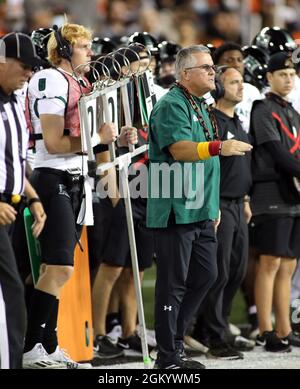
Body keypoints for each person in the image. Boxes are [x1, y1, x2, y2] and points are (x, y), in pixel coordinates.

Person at [22, 23, 122, 369]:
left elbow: (87, 141)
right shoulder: (49, 79)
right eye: (83, 47)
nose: (90, 53)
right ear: (63, 51)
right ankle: (33, 343)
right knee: (60, 267)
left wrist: (108, 147)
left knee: (55, 268)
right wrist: (95, 138)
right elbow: (53, 142)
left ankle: (47, 345)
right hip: (51, 175)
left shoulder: (80, 83)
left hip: (77, 177)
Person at [147, 45, 252, 369]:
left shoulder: (201, 105)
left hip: (202, 208)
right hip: (176, 206)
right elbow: (180, 150)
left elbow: (206, 165)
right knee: (173, 282)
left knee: (207, 275)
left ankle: (176, 343)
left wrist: (212, 204)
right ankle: (167, 355)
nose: (213, 71)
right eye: (205, 67)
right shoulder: (171, 105)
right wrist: (221, 146)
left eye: (212, 66)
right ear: (184, 74)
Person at [193, 66, 253, 359]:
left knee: (237, 271)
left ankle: (218, 324)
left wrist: (245, 200)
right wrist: (212, 203)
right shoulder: (213, 121)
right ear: (219, 87)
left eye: (242, 82)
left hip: (237, 203)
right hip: (219, 203)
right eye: (234, 82)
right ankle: (213, 335)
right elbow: (208, 166)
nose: (241, 87)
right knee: (218, 271)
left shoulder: (236, 120)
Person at [0, 32, 46, 369]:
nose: (30, 73)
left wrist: (33, 198)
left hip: (13, 206)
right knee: (11, 293)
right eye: (25, 65)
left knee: (11, 289)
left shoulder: (15, 99)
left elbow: (15, 159)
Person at [250, 52, 300, 352]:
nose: (288, 78)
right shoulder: (263, 108)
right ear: (268, 77)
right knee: (269, 263)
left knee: (289, 265)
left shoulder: (292, 112)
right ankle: (265, 329)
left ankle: (284, 327)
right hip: (271, 193)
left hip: (293, 193)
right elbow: (276, 152)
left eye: (292, 74)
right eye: (282, 74)